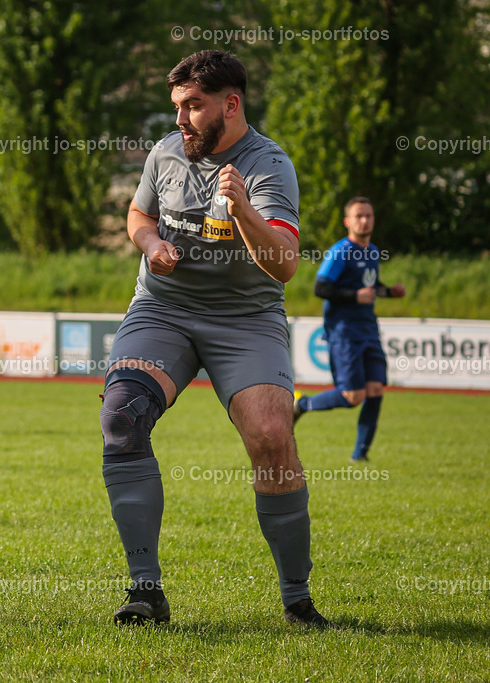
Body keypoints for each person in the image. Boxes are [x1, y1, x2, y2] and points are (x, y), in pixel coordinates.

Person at [101, 50, 328, 628]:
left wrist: (244, 209)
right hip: (163, 308)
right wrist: (152, 246)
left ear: (230, 105)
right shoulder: (165, 152)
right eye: (176, 105)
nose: (180, 119)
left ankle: (296, 597)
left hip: (245, 319)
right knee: (121, 419)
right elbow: (137, 215)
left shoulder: (269, 165)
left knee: (273, 436)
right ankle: (145, 592)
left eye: (193, 106)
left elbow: (283, 265)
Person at [293, 197, 405, 461]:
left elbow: (369, 286)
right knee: (353, 396)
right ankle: (301, 404)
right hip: (344, 331)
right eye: (359, 216)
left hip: (368, 329)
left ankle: (360, 455)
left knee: (376, 389)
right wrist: (355, 297)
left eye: (369, 215)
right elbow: (321, 288)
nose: (364, 220)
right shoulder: (341, 252)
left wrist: (389, 291)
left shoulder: (373, 252)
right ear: (348, 222)